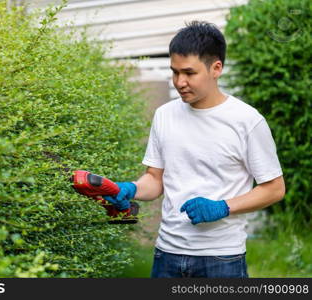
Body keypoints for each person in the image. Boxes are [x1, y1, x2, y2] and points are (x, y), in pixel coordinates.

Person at [104, 21, 285, 278]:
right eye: (175, 72)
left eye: (189, 73)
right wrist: (130, 189)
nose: (180, 82)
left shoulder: (247, 121)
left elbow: (275, 188)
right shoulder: (164, 115)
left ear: (216, 68)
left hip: (222, 258)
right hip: (166, 254)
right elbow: (155, 179)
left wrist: (223, 206)